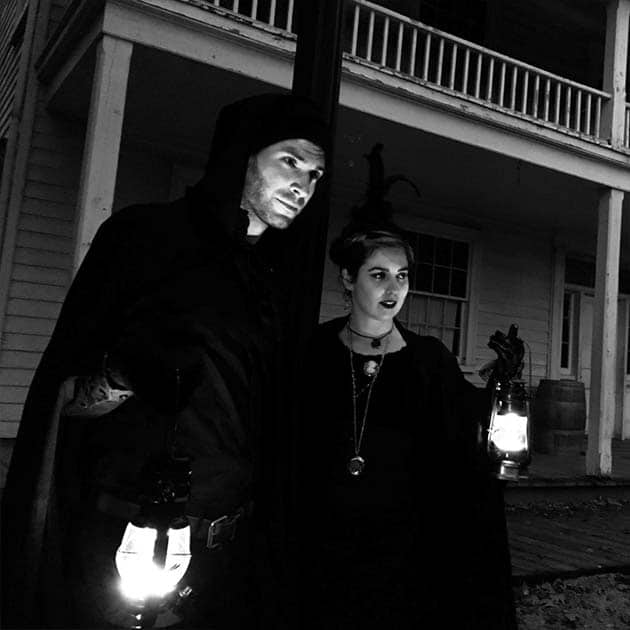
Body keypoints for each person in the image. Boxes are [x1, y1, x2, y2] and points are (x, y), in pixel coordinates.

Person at [1, 93, 328, 629]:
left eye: (315, 175)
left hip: (226, 555)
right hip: (124, 546)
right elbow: (65, 396)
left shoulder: (273, 282)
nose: (303, 185)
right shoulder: (145, 238)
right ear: (242, 155)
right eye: (289, 161)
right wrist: (127, 374)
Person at [296, 223, 517, 629]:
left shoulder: (429, 359)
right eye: (378, 275)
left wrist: (504, 384)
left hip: (403, 543)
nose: (393, 289)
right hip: (328, 538)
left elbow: (468, 432)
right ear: (348, 278)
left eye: (402, 276)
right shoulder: (315, 351)